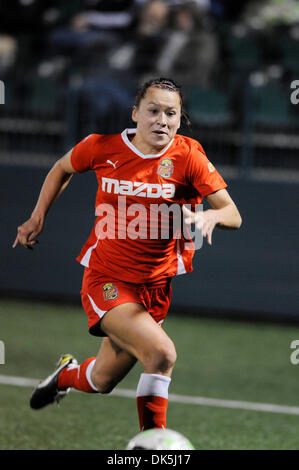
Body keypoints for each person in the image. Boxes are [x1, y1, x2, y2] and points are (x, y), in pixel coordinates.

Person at [13, 77, 242, 432]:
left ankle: (64, 376)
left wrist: (212, 214)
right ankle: (153, 447)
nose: (161, 120)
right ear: (136, 113)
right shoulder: (102, 148)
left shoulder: (188, 156)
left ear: (180, 120)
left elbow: (233, 214)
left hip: (155, 288)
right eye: (153, 111)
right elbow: (62, 167)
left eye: (171, 113)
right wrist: (37, 215)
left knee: (102, 379)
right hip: (106, 279)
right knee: (162, 354)